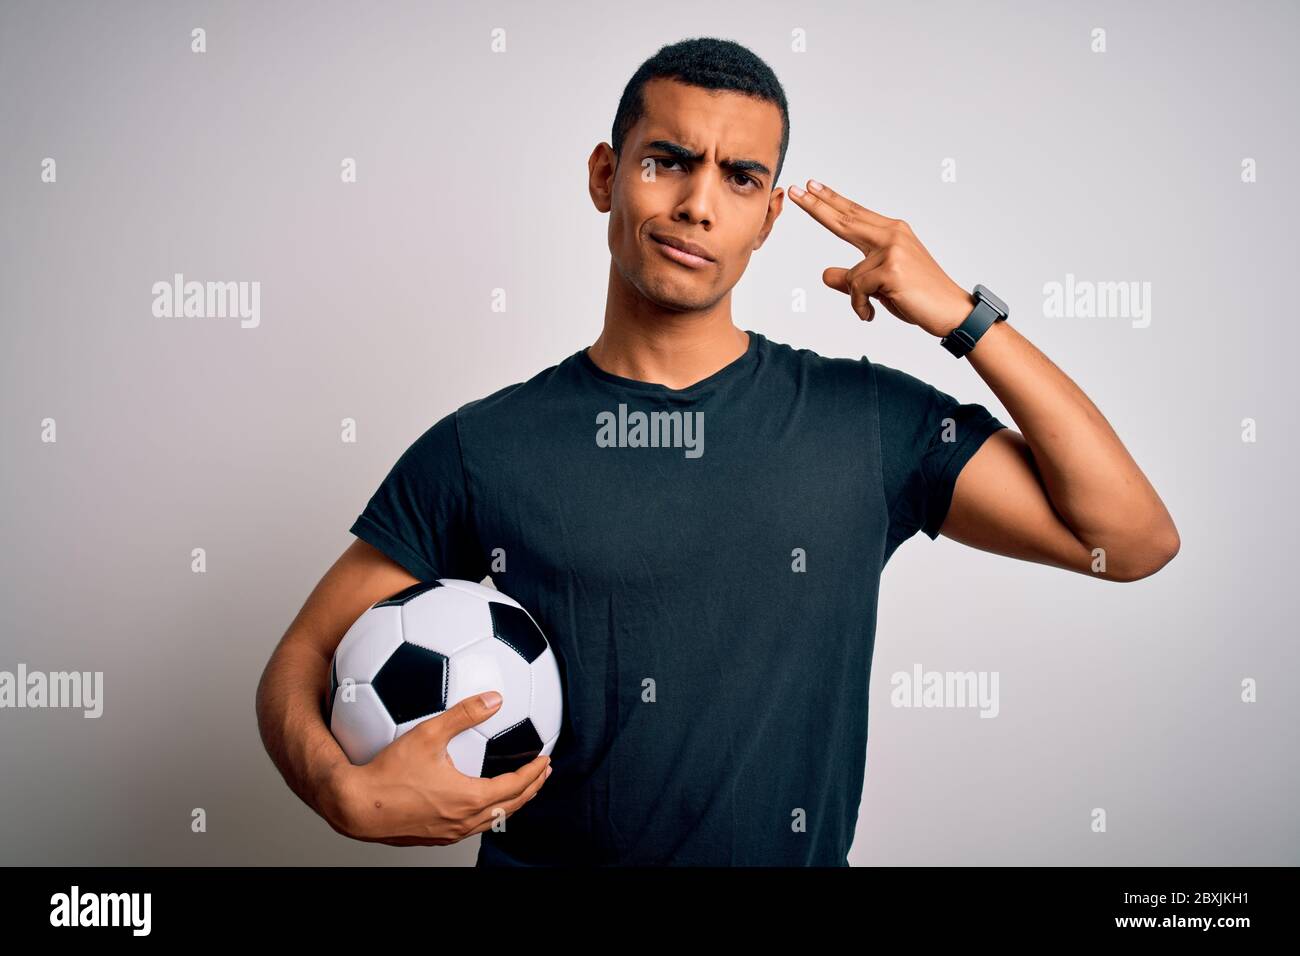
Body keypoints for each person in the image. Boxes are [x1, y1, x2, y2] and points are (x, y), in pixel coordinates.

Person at [255, 37, 1179, 866]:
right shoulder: (482, 445)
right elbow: (301, 658)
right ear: (605, 176)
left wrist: (961, 317)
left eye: (740, 178)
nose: (699, 205)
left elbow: (1132, 541)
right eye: (667, 162)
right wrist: (338, 790)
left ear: (770, 216)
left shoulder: (866, 422)